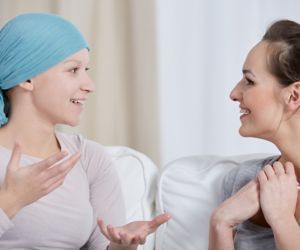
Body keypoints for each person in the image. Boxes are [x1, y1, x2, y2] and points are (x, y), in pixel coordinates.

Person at [0, 12, 170, 250]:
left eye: (86, 70)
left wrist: (122, 246)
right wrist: (10, 200)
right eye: (73, 70)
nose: (90, 86)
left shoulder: (89, 158)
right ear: (27, 77)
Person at [208, 19, 300, 250]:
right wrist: (220, 223)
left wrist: (282, 220)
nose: (234, 93)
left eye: (249, 81)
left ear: (294, 96)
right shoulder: (241, 181)